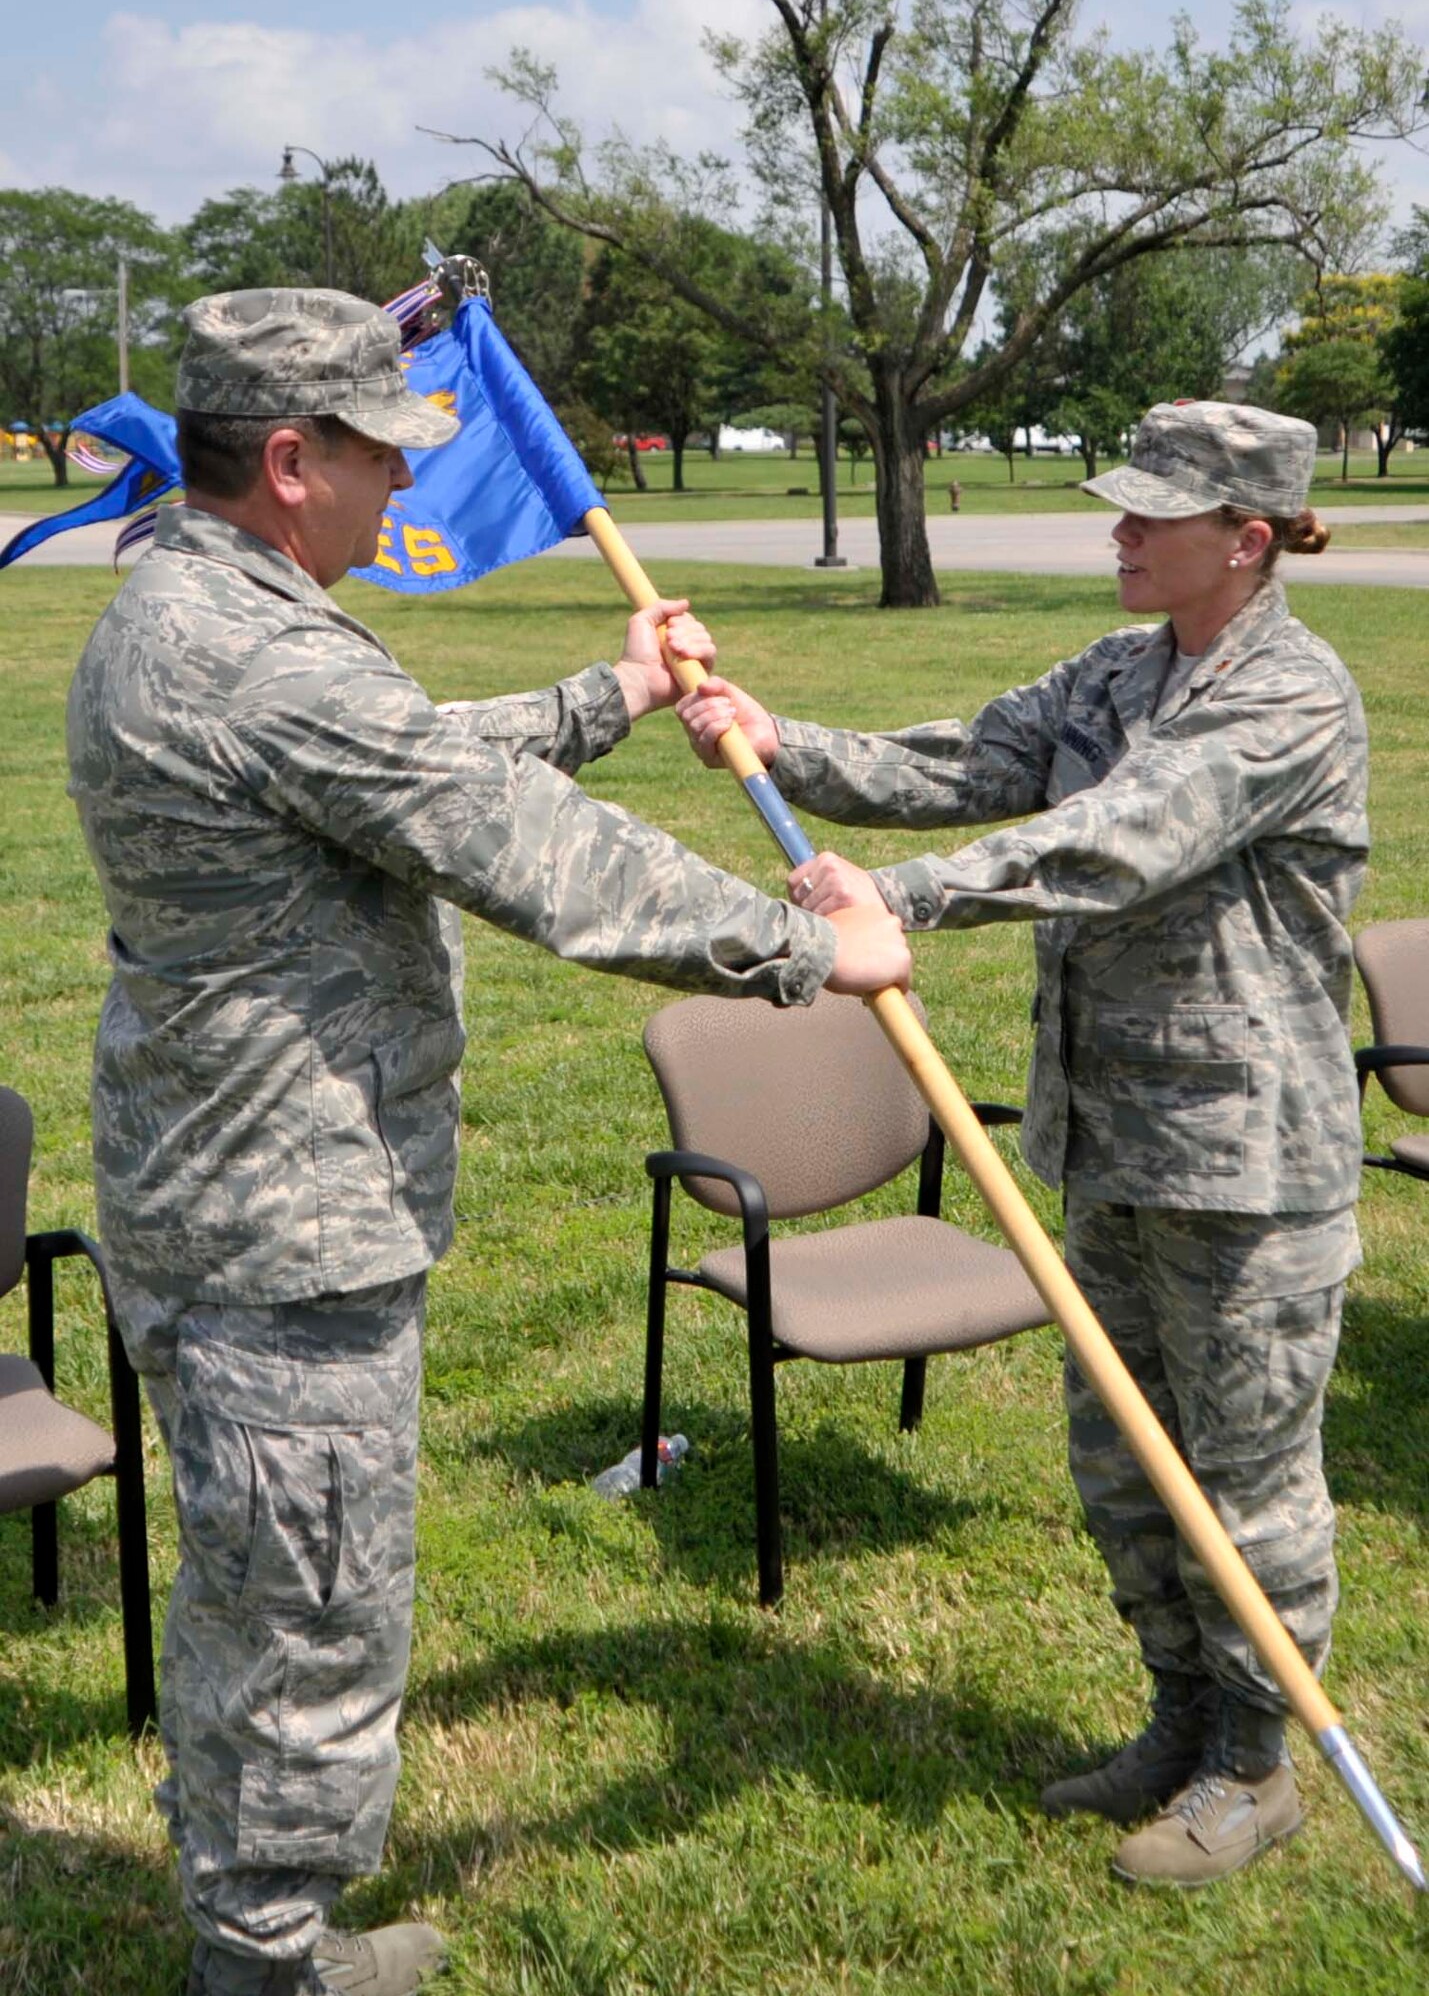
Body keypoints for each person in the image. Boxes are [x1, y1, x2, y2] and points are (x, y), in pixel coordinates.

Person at [65, 286, 910, 1996]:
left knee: (254, 1590)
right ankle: (273, 1960)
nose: (401, 489)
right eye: (382, 457)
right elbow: (521, 849)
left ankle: (256, 1920)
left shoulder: (200, 607)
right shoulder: (255, 650)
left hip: (227, 1191)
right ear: (292, 462)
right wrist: (815, 950)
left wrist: (601, 694)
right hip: (274, 1227)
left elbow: (400, 763)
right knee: (307, 1611)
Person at [677, 401, 1367, 1888]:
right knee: (1124, 1461)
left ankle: (1255, 1764)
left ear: (1243, 541)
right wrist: (781, 742)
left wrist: (902, 903)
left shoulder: (1289, 697)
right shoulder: (1117, 671)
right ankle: (1175, 1720)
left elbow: (1121, 834)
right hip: (1107, 1137)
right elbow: (969, 763)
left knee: (1240, 1474)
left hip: (1243, 1160)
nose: (1115, 530)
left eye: (1150, 513)